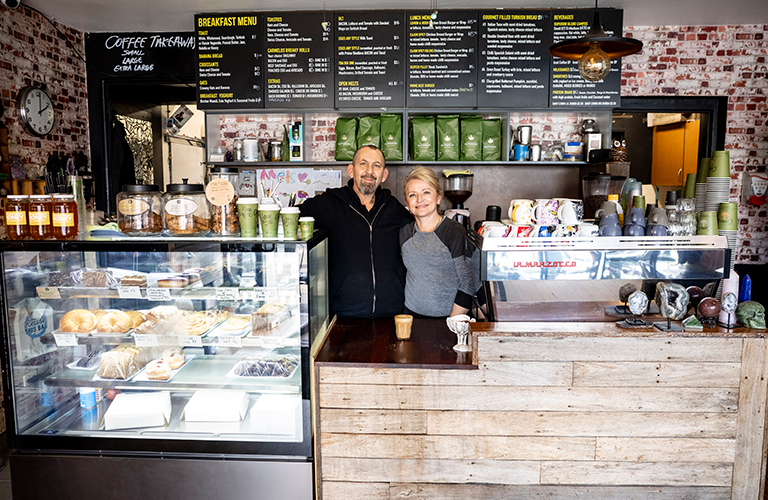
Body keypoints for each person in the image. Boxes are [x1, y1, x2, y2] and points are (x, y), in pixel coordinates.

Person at [299, 145, 413, 318]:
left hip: (391, 315)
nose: (369, 171)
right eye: (363, 164)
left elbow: (422, 229)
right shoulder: (329, 203)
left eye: (377, 165)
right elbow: (292, 217)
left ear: (384, 175)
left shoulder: (393, 208)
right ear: (351, 170)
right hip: (343, 316)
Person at [399, 167, 482, 318]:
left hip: (448, 321)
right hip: (411, 318)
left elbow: (469, 283)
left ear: (438, 197)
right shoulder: (404, 233)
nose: (419, 199)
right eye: (412, 195)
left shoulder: (454, 232)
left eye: (426, 192)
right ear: (406, 201)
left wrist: (452, 324)